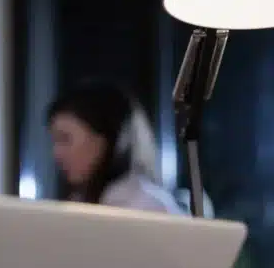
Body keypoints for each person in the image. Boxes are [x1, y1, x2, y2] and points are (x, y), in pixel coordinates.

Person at [47, 81, 183, 214]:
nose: (57, 153)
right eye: (55, 141)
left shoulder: (150, 208)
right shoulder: (78, 203)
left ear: (104, 139)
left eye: (65, 139)